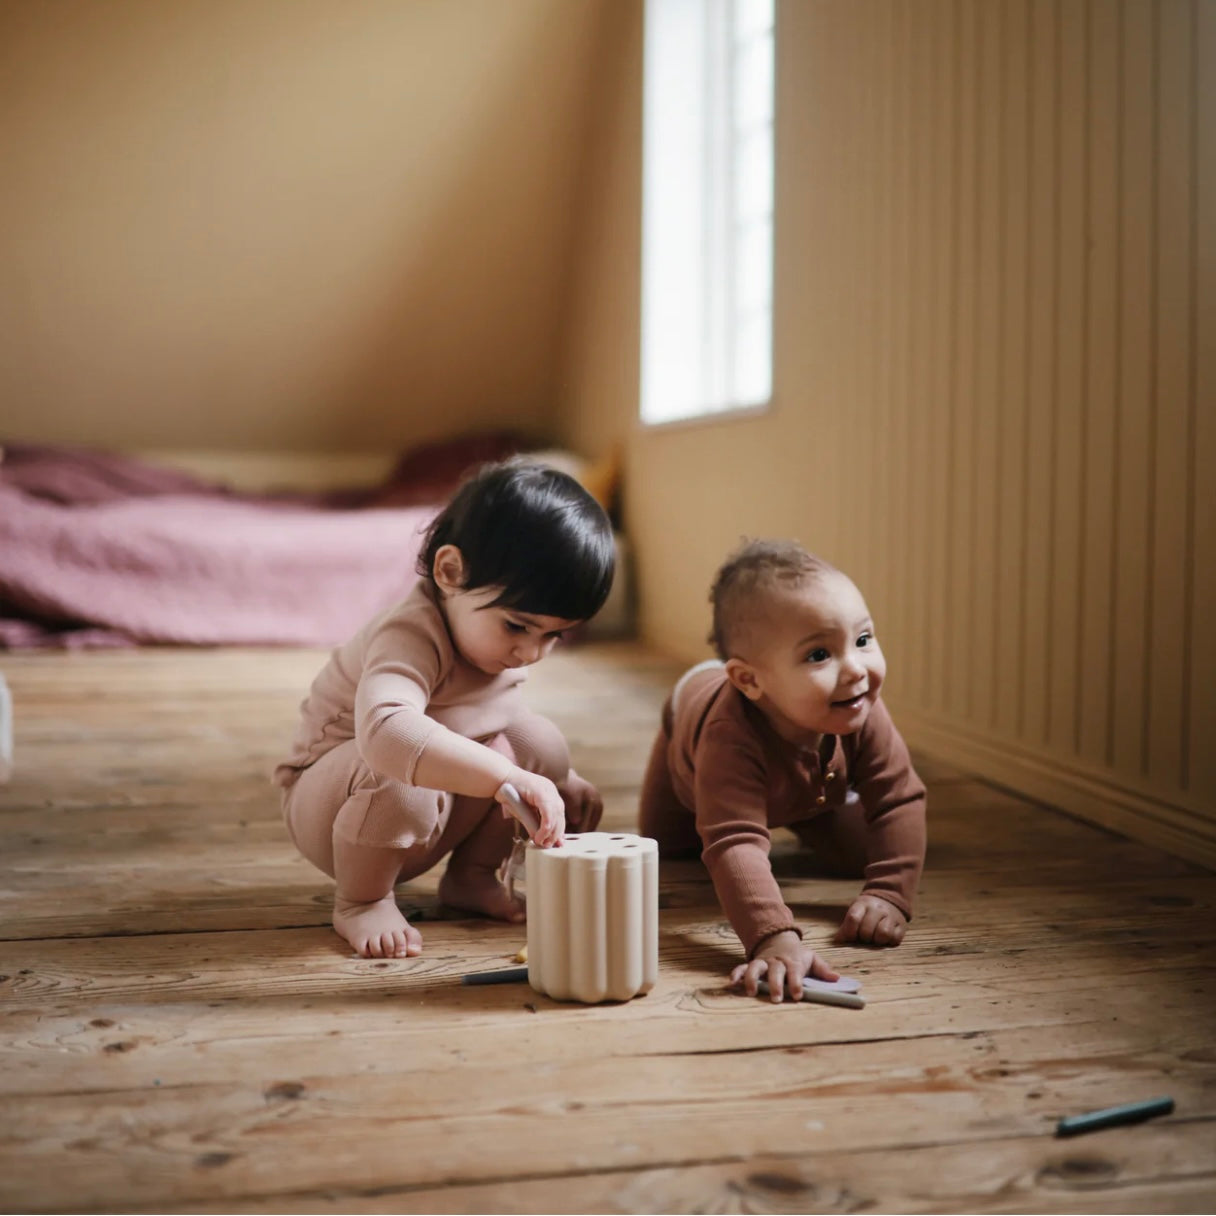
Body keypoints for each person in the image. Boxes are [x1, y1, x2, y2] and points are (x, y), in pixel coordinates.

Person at [274, 458, 615, 960]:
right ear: (450, 572)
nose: (531, 653)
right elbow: (388, 734)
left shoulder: (492, 641)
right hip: (334, 811)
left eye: (554, 635)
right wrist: (505, 776)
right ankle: (361, 900)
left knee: (540, 744)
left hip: (424, 810)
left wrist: (560, 779)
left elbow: (498, 725)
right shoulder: (409, 634)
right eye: (518, 627)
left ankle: (471, 878)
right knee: (401, 775)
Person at [639, 539, 926, 1003]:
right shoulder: (726, 736)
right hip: (690, 738)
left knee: (861, 853)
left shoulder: (860, 705)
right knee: (671, 847)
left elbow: (900, 797)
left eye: (863, 640)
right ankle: (780, 799)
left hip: (812, 789)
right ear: (749, 679)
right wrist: (772, 936)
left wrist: (890, 892)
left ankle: (806, 807)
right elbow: (734, 840)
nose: (855, 669)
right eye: (819, 655)